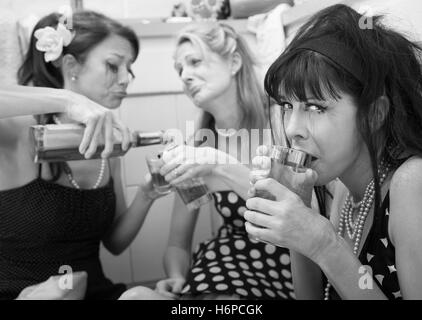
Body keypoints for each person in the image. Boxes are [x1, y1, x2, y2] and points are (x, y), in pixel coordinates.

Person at [244, 4, 422, 299]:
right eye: (288, 106)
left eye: (315, 107)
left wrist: (324, 244)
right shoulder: (342, 187)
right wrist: (301, 214)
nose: (292, 129)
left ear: (374, 114)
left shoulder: (415, 182)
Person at [0, 11, 165, 300]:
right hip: (20, 292)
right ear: (70, 64)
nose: (126, 79)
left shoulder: (107, 146)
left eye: (129, 68)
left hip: (92, 290)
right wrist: (67, 100)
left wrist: (147, 194)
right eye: (113, 65)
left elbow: (115, 242)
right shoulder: (20, 132)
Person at [120, 22, 295, 300]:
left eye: (194, 62)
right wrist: (177, 276)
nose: (185, 76)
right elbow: (178, 243)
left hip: (289, 263)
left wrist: (218, 164)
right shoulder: (199, 147)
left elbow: (295, 213)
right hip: (225, 262)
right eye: (180, 69)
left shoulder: (281, 122)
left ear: (234, 62)